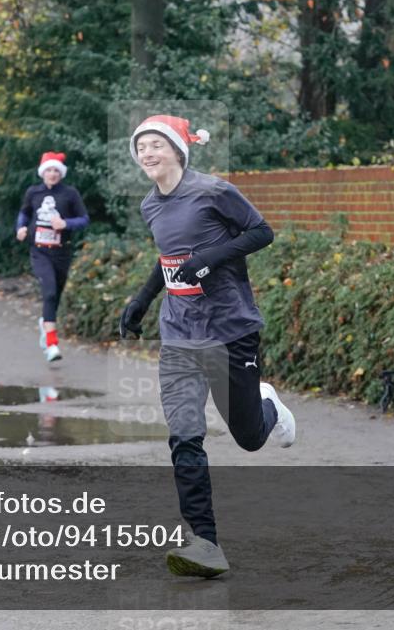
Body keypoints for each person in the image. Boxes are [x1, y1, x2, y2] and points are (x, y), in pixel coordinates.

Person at [118, 115, 297, 578]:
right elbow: (168, 260)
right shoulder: (150, 205)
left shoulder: (213, 191)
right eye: (141, 147)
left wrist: (209, 259)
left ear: (177, 150)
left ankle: (268, 405)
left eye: (156, 144)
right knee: (184, 435)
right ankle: (205, 542)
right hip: (179, 335)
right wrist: (141, 301)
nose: (147, 153)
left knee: (249, 438)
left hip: (230, 329)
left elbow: (261, 232)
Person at [15, 151, 89, 362]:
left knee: (55, 295)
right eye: (49, 170)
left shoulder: (70, 193)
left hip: (62, 252)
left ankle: (45, 326)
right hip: (39, 251)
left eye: (56, 170)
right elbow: (24, 213)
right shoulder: (33, 192)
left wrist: (66, 223)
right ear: (43, 173)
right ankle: (51, 343)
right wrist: (20, 228)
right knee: (48, 292)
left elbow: (84, 219)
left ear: (61, 173)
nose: (53, 174)